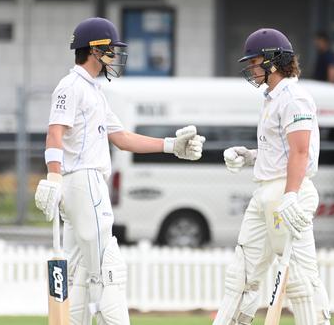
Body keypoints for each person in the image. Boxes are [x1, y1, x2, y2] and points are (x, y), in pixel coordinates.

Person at [34, 17, 206, 325]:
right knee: (108, 269)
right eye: (110, 50)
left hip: (83, 184)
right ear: (94, 50)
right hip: (83, 181)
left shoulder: (94, 91)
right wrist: (53, 175)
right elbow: (54, 133)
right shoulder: (70, 86)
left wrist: (171, 146)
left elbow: (123, 138)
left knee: (80, 273)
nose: (115, 56)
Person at [214, 28, 331, 325]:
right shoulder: (273, 97)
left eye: (254, 62)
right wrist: (249, 155)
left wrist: (291, 195)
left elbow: (300, 152)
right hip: (268, 191)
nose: (251, 69)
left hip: (287, 194)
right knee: (240, 275)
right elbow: (279, 149)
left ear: (272, 62)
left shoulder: (294, 98)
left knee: (302, 282)